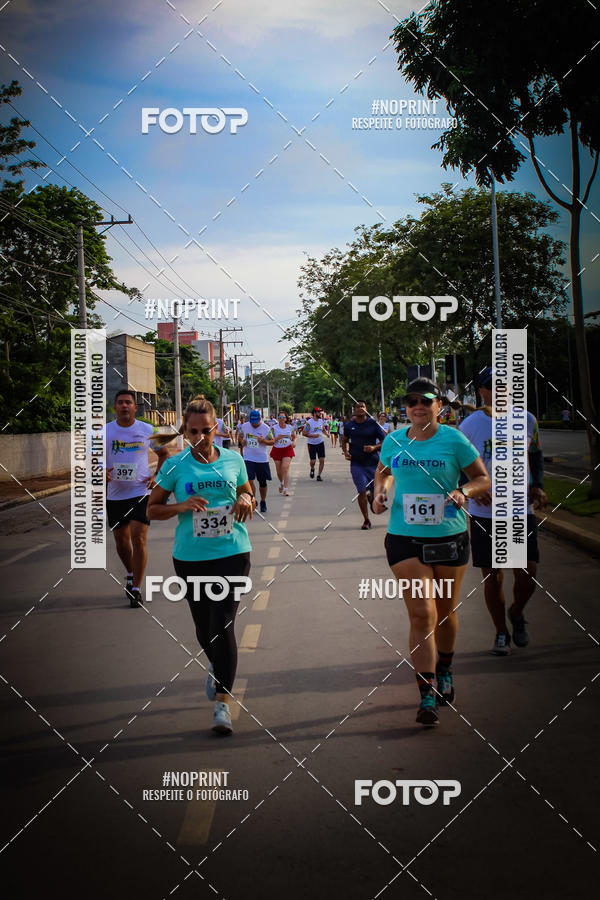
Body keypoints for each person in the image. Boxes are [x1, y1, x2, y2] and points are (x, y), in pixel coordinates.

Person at [372, 377, 490, 726]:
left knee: (444, 611)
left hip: (448, 538)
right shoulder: (394, 440)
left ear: (440, 405)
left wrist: (464, 492)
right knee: (422, 613)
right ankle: (426, 695)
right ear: (405, 408)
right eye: (411, 403)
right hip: (404, 538)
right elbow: (384, 474)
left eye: (425, 401)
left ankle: (447, 667)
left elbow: (482, 478)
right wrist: (381, 491)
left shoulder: (453, 439)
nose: (418, 407)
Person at [148, 396, 255, 735]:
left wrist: (244, 499)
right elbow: (152, 509)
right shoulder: (175, 466)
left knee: (223, 624)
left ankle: (222, 703)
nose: (199, 438)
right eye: (192, 432)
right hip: (191, 557)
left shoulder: (233, 459)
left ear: (216, 428)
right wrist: (182, 507)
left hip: (233, 552)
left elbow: (247, 491)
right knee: (203, 627)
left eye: (205, 431)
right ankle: (217, 663)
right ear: (185, 430)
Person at [459, 367, 547, 655]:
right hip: (486, 513)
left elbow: (535, 455)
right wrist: (471, 487)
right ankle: (500, 632)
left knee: (527, 571)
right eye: (491, 386)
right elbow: (457, 463)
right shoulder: (469, 425)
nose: (498, 390)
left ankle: (516, 612)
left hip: (519, 508)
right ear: (481, 391)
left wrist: (538, 485)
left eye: (503, 385)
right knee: (493, 575)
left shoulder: (527, 420)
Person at [104, 390, 169, 607]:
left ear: (134, 407)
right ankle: (131, 573)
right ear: (115, 407)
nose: (124, 406)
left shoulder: (148, 429)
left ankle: (136, 588)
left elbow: (164, 454)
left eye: (128, 403)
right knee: (121, 543)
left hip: (141, 493)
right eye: (120, 402)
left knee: (138, 538)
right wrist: (100, 471)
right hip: (115, 495)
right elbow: (91, 460)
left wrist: (156, 477)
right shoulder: (104, 432)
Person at [340, 402, 387, 530]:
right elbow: (344, 440)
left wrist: (374, 447)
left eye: (363, 406)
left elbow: (384, 440)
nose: (360, 408)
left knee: (373, 492)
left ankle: (373, 501)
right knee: (361, 490)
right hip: (356, 463)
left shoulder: (373, 424)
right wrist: (345, 452)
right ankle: (366, 520)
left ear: (366, 409)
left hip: (372, 463)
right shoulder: (349, 425)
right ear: (354, 410)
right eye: (357, 407)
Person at [239, 410, 274, 512]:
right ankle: (253, 498)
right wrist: (242, 441)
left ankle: (263, 501)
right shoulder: (245, 426)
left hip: (261, 459)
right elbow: (240, 436)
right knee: (249, 481)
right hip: (248, 458)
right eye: (252, 421)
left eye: (255, 421)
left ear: (260, 419)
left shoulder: (266, 428)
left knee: (262, 483)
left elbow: (272, 441)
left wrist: (263, 441)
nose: (253, 423)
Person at [270, 411, 297, 495]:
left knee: (285, 468)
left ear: (286, 418)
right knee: (279, 472)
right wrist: (276, 438)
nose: (282, 419)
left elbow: (294, 437)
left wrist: (294, 442)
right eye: (280, 417)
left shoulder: (290, 427)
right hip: (277, 449)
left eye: (283, 417)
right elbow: (269, 439)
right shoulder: (273, 428)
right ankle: (282, 483)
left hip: (287, 449)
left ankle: (285, 489)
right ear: (278, 419)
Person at [304, 407, 328, 480]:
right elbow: (304, 433)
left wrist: (326, 434)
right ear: (314, 413)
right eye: (318, 412)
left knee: (322, 460)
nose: (320, 413)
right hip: (311, 444)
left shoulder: (321, 421)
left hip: (320, 443)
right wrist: (313, 435)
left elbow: (323, 429)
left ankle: (319, 475)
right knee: (313, 461)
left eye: (320, 412)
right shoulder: (309, 423)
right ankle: (312, 468)